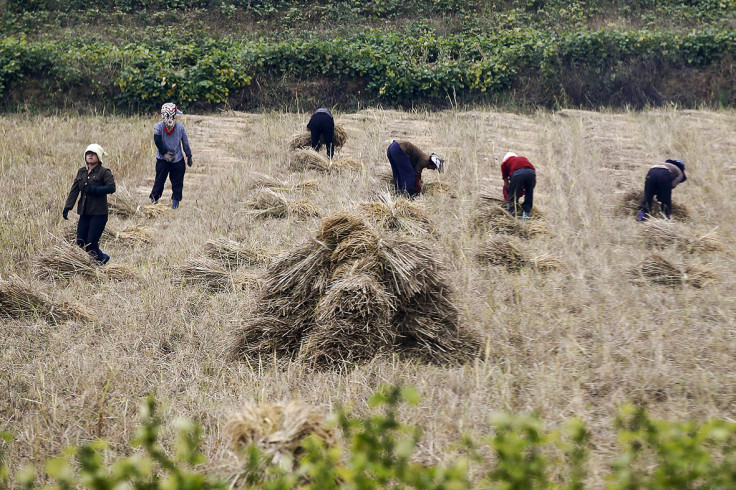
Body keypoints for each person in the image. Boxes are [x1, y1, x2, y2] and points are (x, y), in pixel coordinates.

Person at [62, 144, 116, 264]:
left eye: (93, 153)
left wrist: (96, 189)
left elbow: (112, 188)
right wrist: (67, 207)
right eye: (88, 153)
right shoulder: (81, 172)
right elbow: (74, 190)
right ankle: (96, 261)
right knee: (80, 242)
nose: (90, 156)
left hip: (99, 213)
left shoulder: (104, 172)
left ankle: (100, 260)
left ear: (99, 156)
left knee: (91, 243)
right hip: (85, 213)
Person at [150, 102, 193, 209]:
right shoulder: (180, 127)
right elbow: (185, 143)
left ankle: (154, 200)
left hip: (163, 159)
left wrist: (164, 152)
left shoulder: (158, 126)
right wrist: (189, 156)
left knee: (159, 180)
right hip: (176, 159)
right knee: (177, 182)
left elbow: (157, 141)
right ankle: (175, 203)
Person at [501, 152, 536, 219]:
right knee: (529, 193)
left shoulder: (504, 164)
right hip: (532, 173)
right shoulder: (523, 158)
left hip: (517, 174)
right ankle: (526, 213)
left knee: (513, 195)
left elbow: (506, 183)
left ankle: (512, 215)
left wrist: (509, 195)